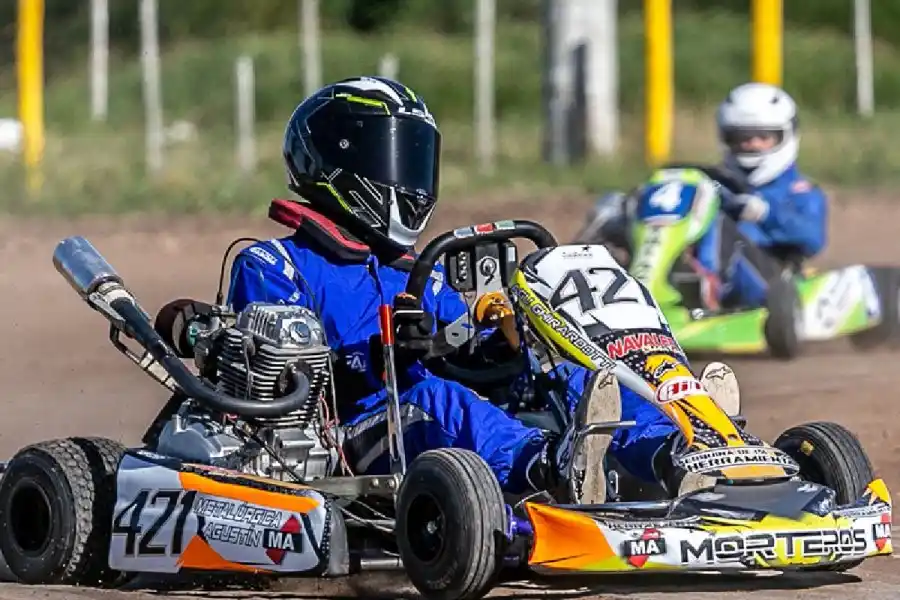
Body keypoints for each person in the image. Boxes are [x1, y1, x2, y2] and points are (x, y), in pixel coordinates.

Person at [226, 76, 725, 504]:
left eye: (413, 159)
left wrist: (503, 335)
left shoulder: (414, 271)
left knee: (576, 377)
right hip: (342, 442)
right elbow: (285, 386)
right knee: (438, 397)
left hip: (426, 434)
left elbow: (461, 345)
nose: (408, 179)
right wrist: (385, 353)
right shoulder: (276, 265)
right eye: (390, 159)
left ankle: (678, 449)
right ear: (338, 164)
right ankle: (550, 467)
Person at [575, 82, 828, 310]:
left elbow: (812, 238)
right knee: (625, 214)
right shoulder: (716, 183)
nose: (751, 145)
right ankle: (587, 285)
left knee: (718, 221)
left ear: (786, 136)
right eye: (740, 138)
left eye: (762, 137)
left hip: (766, 282)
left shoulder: (800, 191)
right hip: (697, 267)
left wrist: (764, 213)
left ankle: (706, 284)